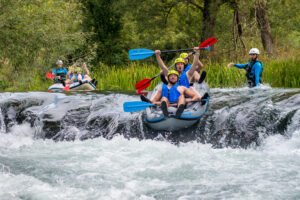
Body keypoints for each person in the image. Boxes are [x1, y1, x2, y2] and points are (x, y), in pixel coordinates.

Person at [142, 70, 207, 118]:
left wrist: (187, 101)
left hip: (180, 104)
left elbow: (196, 96)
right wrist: (166, 104)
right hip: (166, 104)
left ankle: (179, 111)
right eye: (171, 76)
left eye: (174, 76)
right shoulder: (162, 89)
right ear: (168, 78)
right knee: (164, 98)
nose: (173, 77)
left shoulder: (182, 88)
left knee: (181, 97)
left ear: (177, 78)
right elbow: (153, 101)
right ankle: (165, 111)